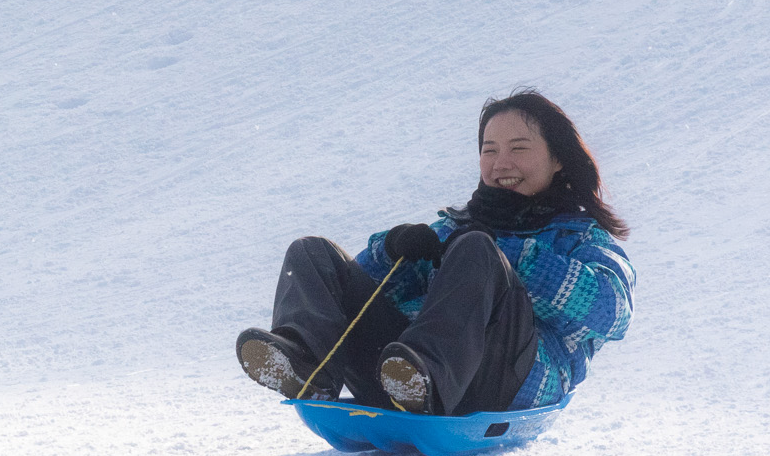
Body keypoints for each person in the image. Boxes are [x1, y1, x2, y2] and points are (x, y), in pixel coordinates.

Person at [236, 89, 634, 416]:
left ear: (558, 159)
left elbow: (612, 313)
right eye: (489, 150)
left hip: (506, 382)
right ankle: (310, 366)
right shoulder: (457, 228)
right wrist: (392, 251)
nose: (501, 163)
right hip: (397, 378)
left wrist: (513, 255)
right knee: (312, 253)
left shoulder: (580, 237)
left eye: (519, 148)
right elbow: (349, 301)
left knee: (478, 249)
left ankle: (422, 375)